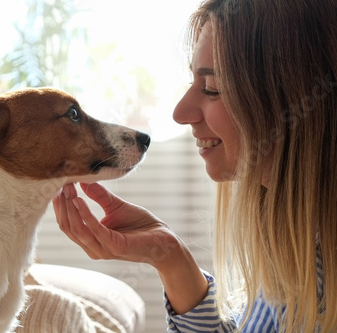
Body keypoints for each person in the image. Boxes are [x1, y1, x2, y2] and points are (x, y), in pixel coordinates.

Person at [53, 0, 337, 331]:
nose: (180, 112)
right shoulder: (295, 248)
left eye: (212, 89)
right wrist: (170, 257)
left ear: (293, 98)